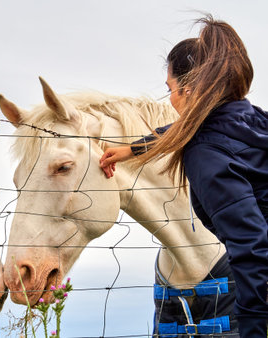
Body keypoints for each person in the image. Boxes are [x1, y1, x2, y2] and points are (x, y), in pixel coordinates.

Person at [100, 16, 268, 337]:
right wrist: (128, 151)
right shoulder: (248, 118)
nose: (172, 100)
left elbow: (251, 247)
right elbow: (179, 128)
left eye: (171, 90)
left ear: (188, 89)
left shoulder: (206, 152)